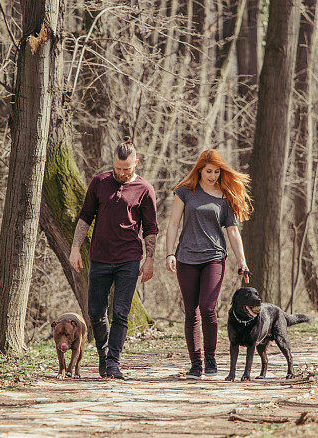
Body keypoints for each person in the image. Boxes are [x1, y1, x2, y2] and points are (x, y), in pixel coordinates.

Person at [69, 138, 158, 379]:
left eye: (126, 169)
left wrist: (150, 260)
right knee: (96, 311)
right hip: (99, 257)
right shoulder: (99, 182)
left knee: (120, 312)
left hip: (129, 258)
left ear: (136, 163)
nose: (120, 173)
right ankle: (104, 355)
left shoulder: (145, 189)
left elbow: (150, 228)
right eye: (117, 168)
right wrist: (75, 247)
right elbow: (85, 217)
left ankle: (113, 363)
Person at [165, 149, 252, 378]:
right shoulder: (185, 192)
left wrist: (242, 261)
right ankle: (196, 363)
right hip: (186, 257)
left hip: (214, 257)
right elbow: (173, 224)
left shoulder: (225, 196)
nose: (213, 176)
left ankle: (211, 358)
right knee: (191, 312)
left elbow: (233, 231)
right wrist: (169, 253)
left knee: (208, 308)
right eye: (208, 171)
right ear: (200, 170)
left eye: (216, 171)